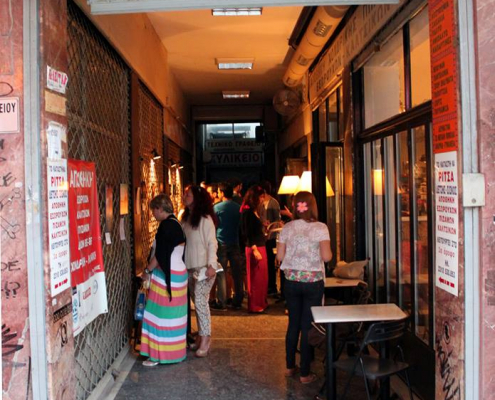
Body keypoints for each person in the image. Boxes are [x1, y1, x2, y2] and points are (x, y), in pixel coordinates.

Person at [276, 191, 332, 384]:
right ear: (312, 206)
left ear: (295, 207)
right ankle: (305, 373)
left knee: (293, 323)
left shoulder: (287, 228)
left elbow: (280, 257)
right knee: (308, 326)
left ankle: (290, 366)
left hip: (291, 281)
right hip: (313, 282)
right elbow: (326, 257)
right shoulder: (321, 228)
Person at [140, 194, 187, 366]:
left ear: (160, 209)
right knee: (174, 317)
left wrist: (147, 271)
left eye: (153, 210)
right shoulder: (176, 224)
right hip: (179, 274)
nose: (152, 214)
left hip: (167, 276)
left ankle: (157, 355)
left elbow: (160, 255)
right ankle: (174, 353)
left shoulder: (166, 226)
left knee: (155, 315)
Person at [181, 185, 219, 357]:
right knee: (197, 303)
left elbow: (212, 243)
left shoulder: (205, 219)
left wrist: (211, 265)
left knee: (201, 302)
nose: (184, 197)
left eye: (188, 195)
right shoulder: (186, 219)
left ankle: (205, 338)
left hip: (204, 268)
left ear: (197, 198)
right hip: (190, 267)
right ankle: (201, 336)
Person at [214, 182, 243, 310]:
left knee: (221, 272)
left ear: (222, 193)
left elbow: (214, 224)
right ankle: (238, 299)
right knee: (237, 273)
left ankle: (222, 300)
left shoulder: (217, 208)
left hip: (221, 242)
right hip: (235, 242)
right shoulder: (238, 208)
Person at [240, 185, 268, 313]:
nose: (262, 199)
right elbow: (246, 232)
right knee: (255, 277)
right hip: (254, 247)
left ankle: (261, 302)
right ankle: (255, 305)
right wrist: (254, 248)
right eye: (261, 197)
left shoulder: (254, 211)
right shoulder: (247, 211)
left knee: (262, 277)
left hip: (260, 245)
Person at [260, 181, 281, 296]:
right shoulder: (260, 203)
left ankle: (272, 286)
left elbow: (277, 221)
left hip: (271, 236)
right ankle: (266, 285)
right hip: (263, 237)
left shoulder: (273, 202)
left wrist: (270, 229)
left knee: (270, 262)